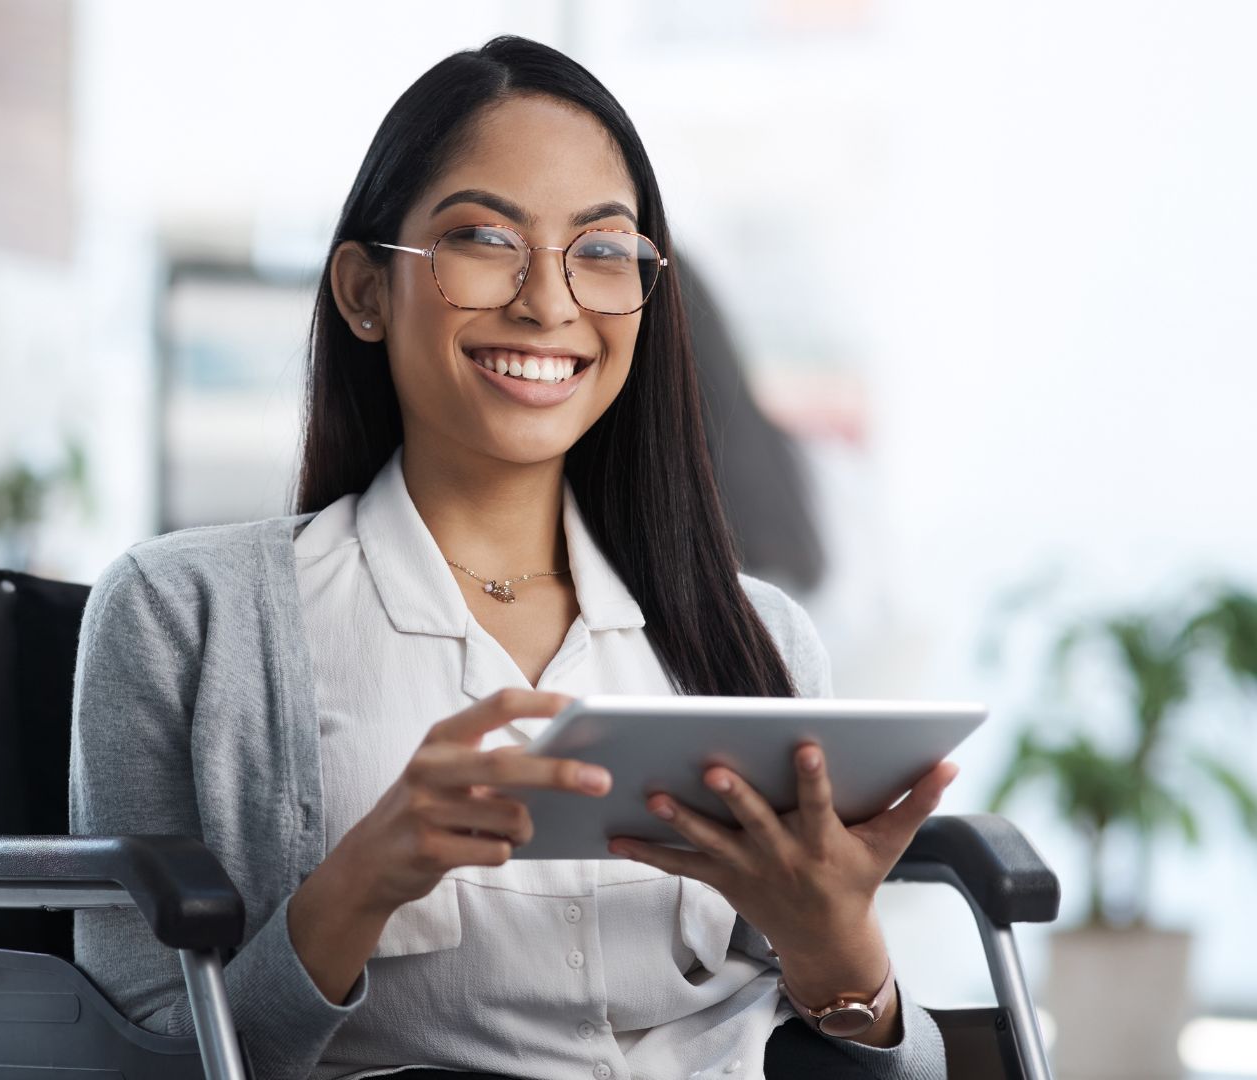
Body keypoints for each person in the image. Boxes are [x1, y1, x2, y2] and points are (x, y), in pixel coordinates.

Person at [69, 36, 954, 1080]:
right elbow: (123, 1060)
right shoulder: (185, 617)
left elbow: (871, 1055)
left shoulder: (759, 641)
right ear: (363, 289)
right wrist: (360, 880)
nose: (549, 301)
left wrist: (837, 954)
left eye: (603, 249)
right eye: (485, 237)